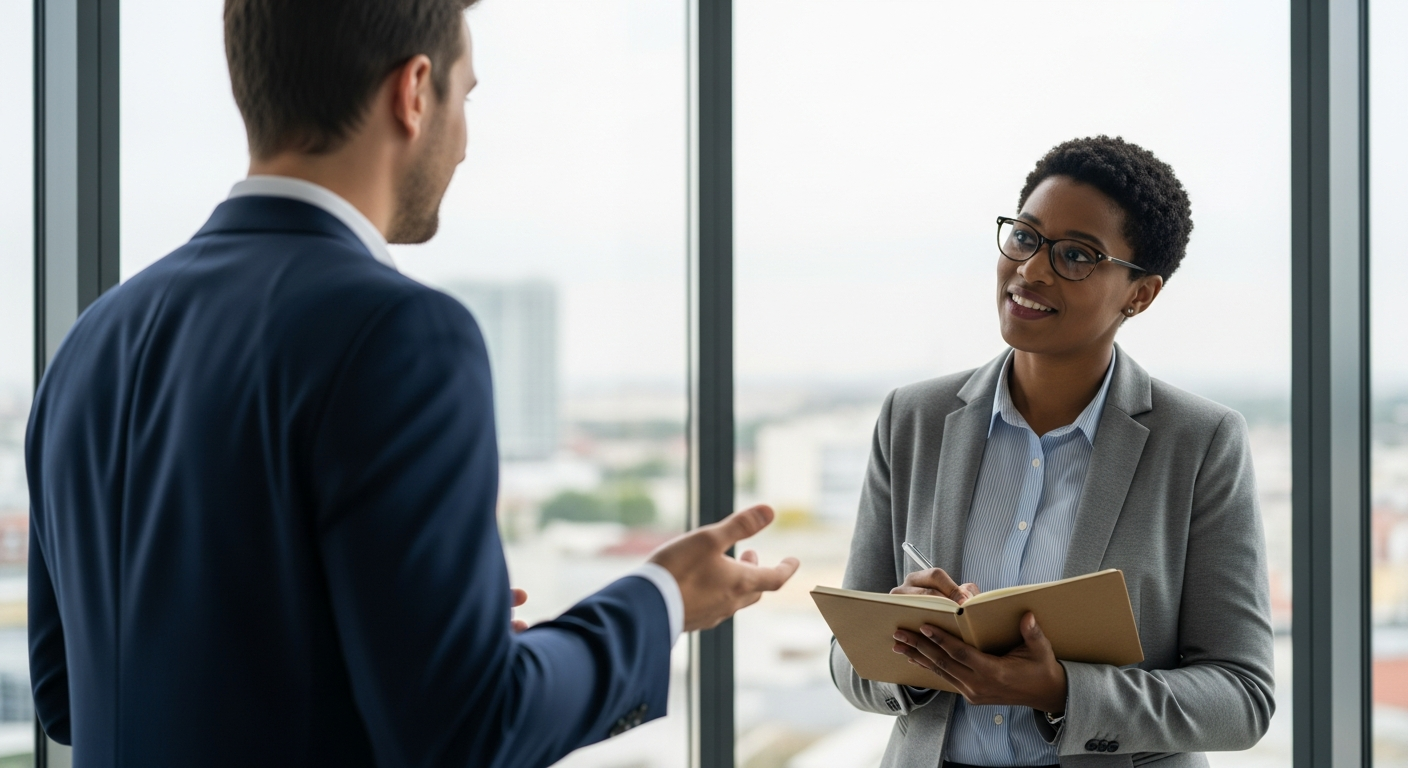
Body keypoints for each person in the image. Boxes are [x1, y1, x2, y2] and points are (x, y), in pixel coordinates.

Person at [25, 1, 798, 766]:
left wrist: (407, 636)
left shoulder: (92, 341)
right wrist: (659, 602)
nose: (463, 143)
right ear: (415, 91)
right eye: (466, 96)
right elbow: (471, 734)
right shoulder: (400, 334)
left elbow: (68, 695)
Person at [829, 136, 1275, 768]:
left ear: (1140, 294)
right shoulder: (914, 418)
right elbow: (847, 659)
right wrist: (906, 653)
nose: (1032, 270)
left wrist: (1064, 692)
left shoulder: (1199, 443)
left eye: (1076, 255)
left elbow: (1242, 698)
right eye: (1025, 237)